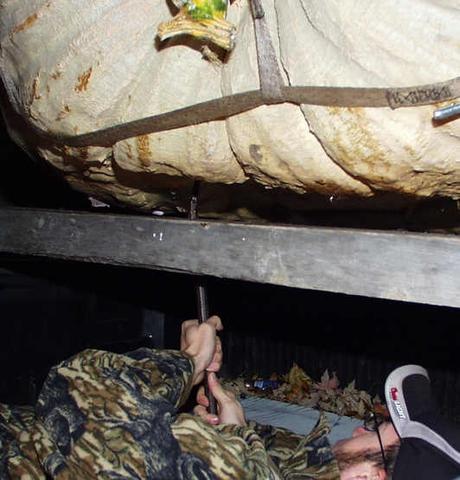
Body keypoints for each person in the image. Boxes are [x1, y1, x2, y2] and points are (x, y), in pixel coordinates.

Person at [0, 316, 457, 479]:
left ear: (370, 477)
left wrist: (186, 363)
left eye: (374, 429)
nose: (357, 428)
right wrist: (229, 424)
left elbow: (71, 397)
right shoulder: (319, 465)